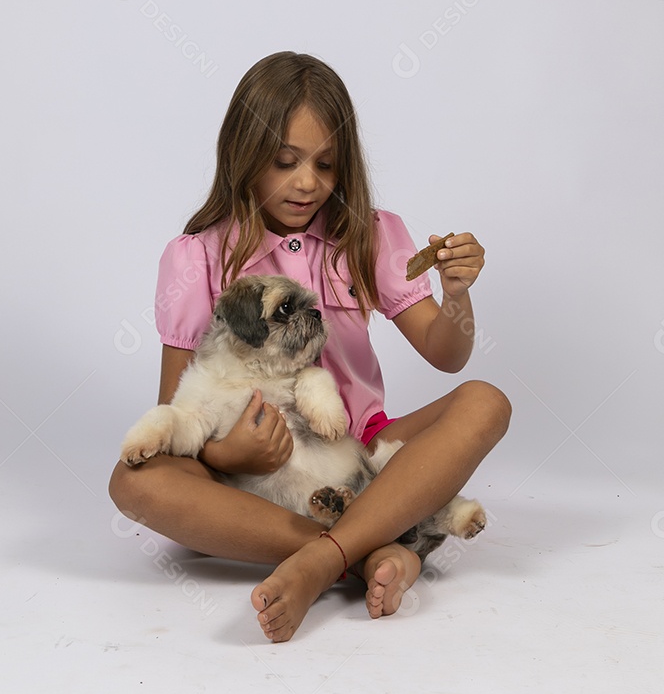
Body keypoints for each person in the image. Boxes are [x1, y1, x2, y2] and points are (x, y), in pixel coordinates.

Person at [108, 51, 511, 643]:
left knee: (485, 401)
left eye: (326, 165)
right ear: (243, 156)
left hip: (361, 444)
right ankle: (375, 547)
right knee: (133, 482)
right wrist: (228, 457)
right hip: (253, 474)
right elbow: (177, 408)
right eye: (285, 162)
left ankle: (322, 561)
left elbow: (446, 354)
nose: (307, 183)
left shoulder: (368, 235)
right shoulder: (196, 257)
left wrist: (456, 294)